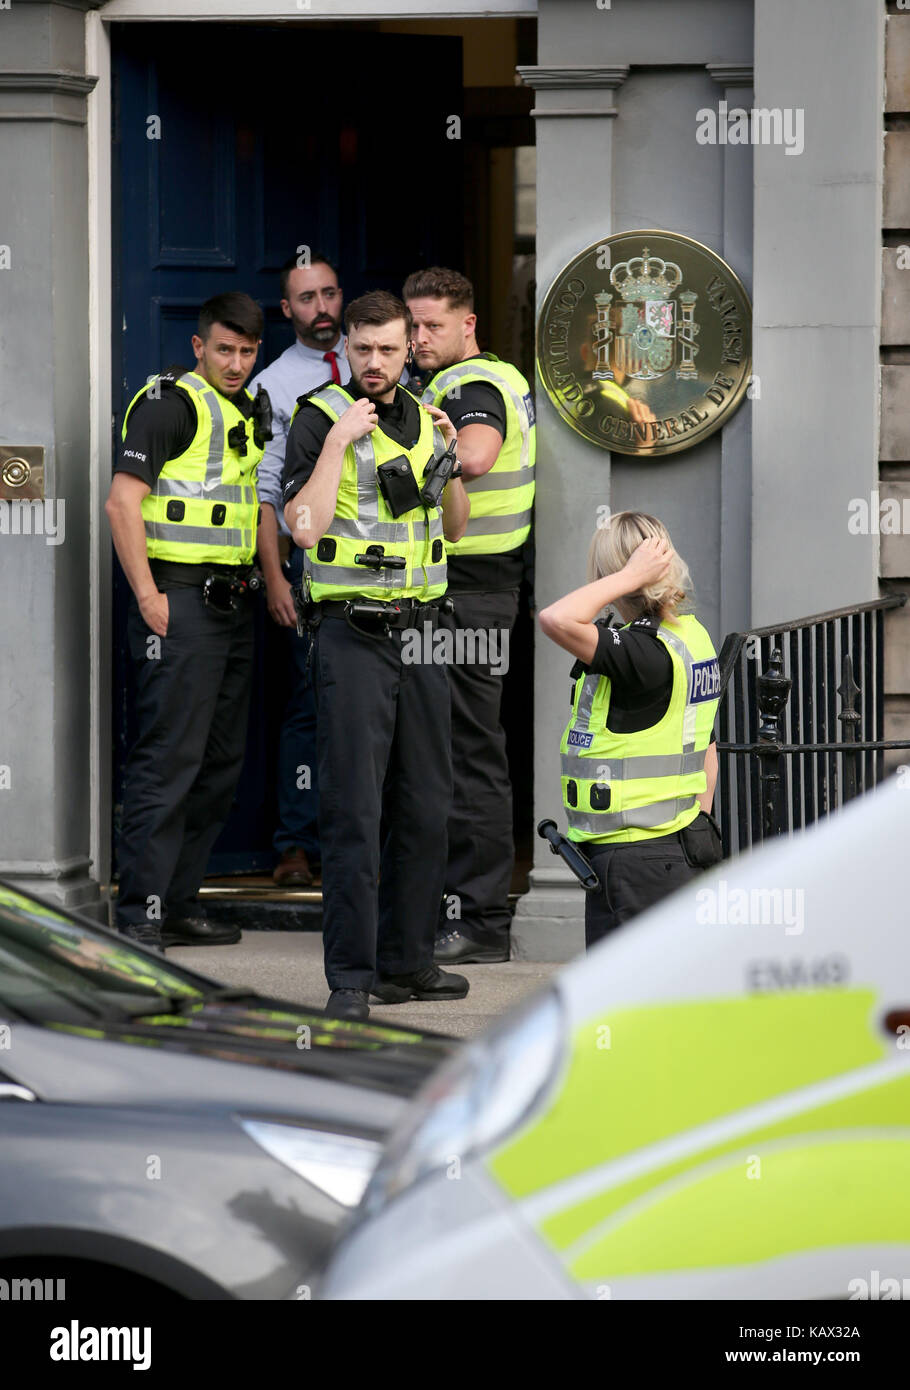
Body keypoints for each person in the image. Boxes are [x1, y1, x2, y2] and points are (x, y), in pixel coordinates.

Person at [282, 290, 471, 1021]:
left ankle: (408, 962)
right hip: (351, 635)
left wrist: (450, 461)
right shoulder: (317, 419)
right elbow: (304, 527)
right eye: (363, 349)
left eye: (391, 349)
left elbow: (453, 529)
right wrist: (337, 446)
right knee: (355, 810)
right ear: (347, 349)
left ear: (407, 347)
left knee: (426, 806)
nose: (377, 362)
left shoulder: (426, 418)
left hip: (423, 631)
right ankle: (352, 980)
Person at [105, 292, 269, 950]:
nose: (236, 362)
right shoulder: (168, 403)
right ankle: (138, 915)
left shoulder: (245, 409)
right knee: (168, 760)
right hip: (177, 600)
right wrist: (147, 596)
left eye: (248, 352)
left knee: (219, 763)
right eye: (224, 349)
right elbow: (122, 504)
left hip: (231, 605)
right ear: (198, 346)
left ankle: (177, 902)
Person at [404, 267, 536, 966]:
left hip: (470, 592)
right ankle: (454, 910)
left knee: (465, 753)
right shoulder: (482, 379)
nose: (420, 338)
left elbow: (478, 454)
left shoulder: (474, 386)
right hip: (467, 590)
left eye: (433, 326)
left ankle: (479, 921)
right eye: (413, 325)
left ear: (468, 325)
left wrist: (443, 452)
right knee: (454, 749)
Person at [538, 511, 721, 949]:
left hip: (631, 859)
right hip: (681, 845)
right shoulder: (689, 637)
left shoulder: (641, 652)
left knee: (623, 1008)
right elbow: (707, 747)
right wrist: (698, 822)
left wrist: (627, 576)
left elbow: (555, 619)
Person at [249, 253, 351, 888]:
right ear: (287, 310)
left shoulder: (379, 362)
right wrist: (276, 578)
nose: (322, 309)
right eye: (307, 299)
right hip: (309, 563)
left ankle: (368, 849)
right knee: (310, 707)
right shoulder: (275, 384)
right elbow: (264, 491)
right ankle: (296, 844)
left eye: (330, 294)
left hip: (384, 564)